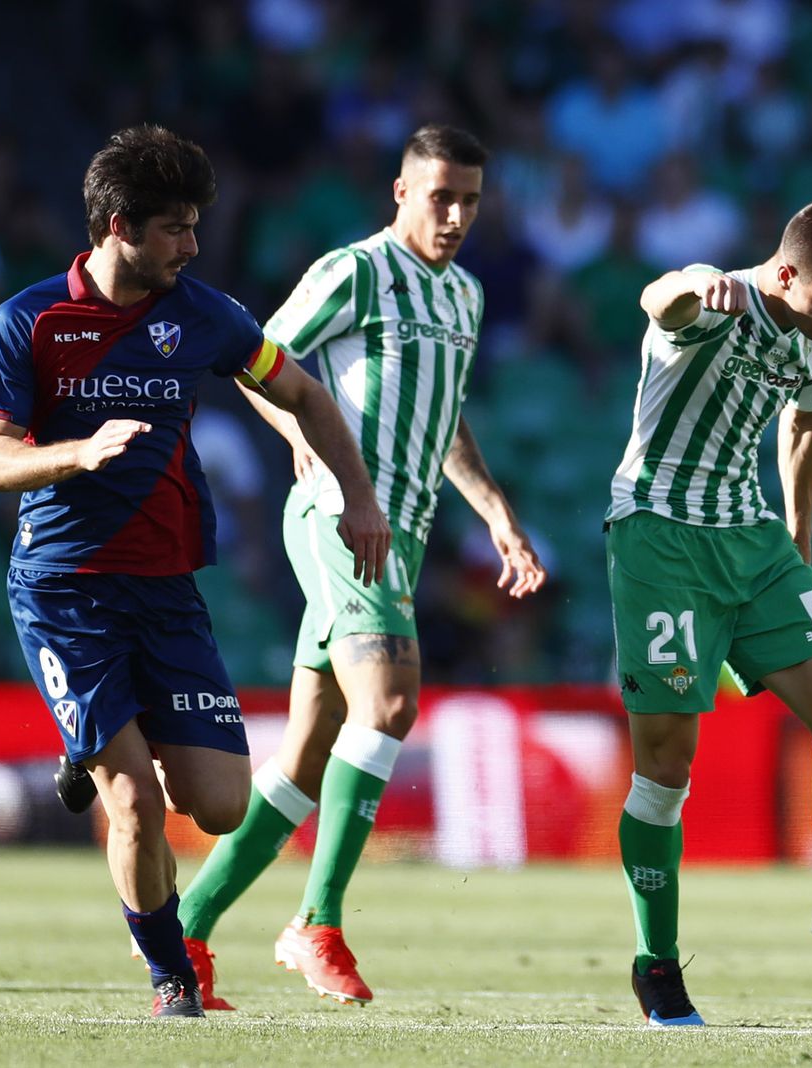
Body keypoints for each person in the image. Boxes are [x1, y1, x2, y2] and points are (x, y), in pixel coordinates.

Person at [0, 125, 389, 1019]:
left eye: (196, 226)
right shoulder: (28, 322)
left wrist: (358, 497)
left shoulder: (207, 315)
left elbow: (303, 392)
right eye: (175, 229)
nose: (192, 246)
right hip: (65, 589)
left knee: (221, 804)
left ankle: (88, 740)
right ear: (119, 227)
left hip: (166, 591)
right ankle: (172, 981)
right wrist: (77, 455)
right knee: (132, 803)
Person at [173, 123, 546, 1010]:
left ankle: (183, 929)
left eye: (470, 201)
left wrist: (497, 516)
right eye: (440, 196)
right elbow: (257, 362)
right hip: (343, 516)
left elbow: (446, 420)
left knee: (307, 754)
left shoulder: (465, 297)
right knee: (389, 703)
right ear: (401, 192)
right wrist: (308, 441)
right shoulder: (357, 270)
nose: (455, 215)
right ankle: (318, 921)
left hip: (405, 530)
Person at [605, 199, 812, 1025]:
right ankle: (656, 963)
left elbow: (805, 422)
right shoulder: (711, 307)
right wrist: (696, 281)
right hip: (660, 535)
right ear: (785, 271)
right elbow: (659, 302)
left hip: (753, 537)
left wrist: (797, 538)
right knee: (666, 764)